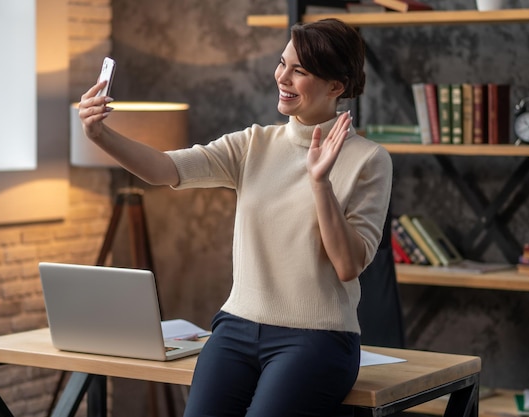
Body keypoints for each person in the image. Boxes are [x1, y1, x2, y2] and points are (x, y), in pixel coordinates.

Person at [79, 18, 392, 417]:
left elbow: (348, 265)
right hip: (236, 328)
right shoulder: (254, 144)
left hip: (318, 340)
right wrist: (100, 135)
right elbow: (164, 170)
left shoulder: (370, 160)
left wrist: (320, 183)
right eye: (282, 63)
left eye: (300, 71)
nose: (282, 77)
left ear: (336, 85)